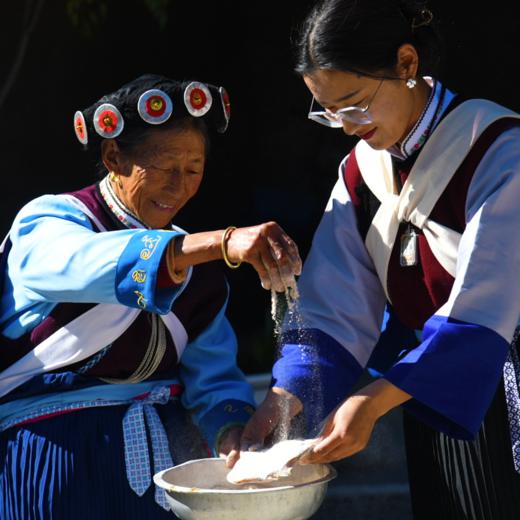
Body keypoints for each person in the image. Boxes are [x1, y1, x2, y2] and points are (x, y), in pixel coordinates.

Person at [238, 1, 520, 518]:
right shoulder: (359, 172)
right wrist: (286, 398)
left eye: (355, 104)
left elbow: (485, 305)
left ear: (407, 64)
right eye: (329, 111)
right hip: (424, 389)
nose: (346, 127)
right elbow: (332, 305)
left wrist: (374, 401)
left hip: (497, 375)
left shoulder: (501, 150)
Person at [0, 74, 302, 519]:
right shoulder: (50, 221)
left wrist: (233, 433)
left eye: (193, 169)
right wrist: (220, 243)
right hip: (49, 455)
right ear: (112, 157)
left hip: (160, 466)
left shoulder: (198, 273)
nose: (179, 186)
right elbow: (83, 263)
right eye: (162, 167)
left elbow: (214, 378)